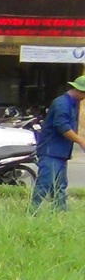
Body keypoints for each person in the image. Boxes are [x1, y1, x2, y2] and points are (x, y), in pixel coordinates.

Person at [30, 75, 85, 212]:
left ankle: (61, 211)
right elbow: (63, 128)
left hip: (60, 152)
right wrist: (81, 141)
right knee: (45, 182)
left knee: (59, 185)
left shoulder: (71, 104)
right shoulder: (61, 104)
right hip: (50, 150)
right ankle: (32, 210)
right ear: (79, 91)